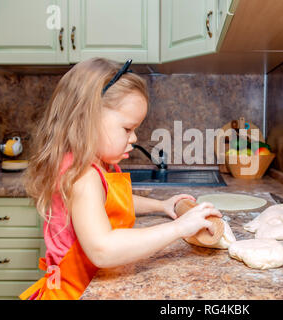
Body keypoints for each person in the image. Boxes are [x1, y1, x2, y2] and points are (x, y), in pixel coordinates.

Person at [19, 57, 221, 300]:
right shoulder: (83, 176)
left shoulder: (99, 163)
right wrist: (178, 228)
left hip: (95, 285)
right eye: (127, 129)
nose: (134, 138)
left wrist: (162, 205)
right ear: (85, 120)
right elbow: (102, 249)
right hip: (75, 292)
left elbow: (112, 201)